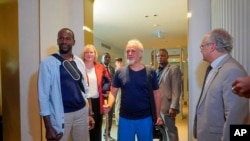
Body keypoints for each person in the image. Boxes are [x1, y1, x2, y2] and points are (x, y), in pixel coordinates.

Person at [38, 28, 94, 141]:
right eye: (61, 38)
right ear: (58, 41)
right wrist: (48, 127)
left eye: (68, 38)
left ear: (73, 42)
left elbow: (85, 90)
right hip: (61, 115)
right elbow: (43, 96)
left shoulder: (79, 62)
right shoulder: (47, 63)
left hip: (81, 113)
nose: (64, 41)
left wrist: (89, 113)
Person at [193, 28, 250, 141]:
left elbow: (236, 117)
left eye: (202, 46)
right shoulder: (214, 68)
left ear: (212, 46)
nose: (200, 50)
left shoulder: (232, 70)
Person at [103, 39, 163, 141]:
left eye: (133, 51)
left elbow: (156, 94)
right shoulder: (120, 72)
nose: (129, 53)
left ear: (140, 54)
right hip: (125, 119)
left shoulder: (150, 71)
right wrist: (109, 104)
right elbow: (113, 92)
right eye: (127, 51)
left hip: (145, 118)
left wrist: (158, 115)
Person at [80, 44, 111, 141]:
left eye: (91, 52)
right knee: (83, 130)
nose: (89, 54)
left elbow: (107, 81)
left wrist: (107, 91)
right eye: (86, 52)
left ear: (95, 54)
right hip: (83, 102)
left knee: (96, 130)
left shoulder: (100, 67)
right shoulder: (79, 66)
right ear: (83, 54)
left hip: (97, 102)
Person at [156, 49, 182, 141]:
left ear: (167, 57)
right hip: (159, 106)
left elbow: (176, 89)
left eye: (162, 55)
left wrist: (173, 106)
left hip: (168, 106)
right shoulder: (157, 71)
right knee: (162, 130)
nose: (160, 58)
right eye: (158, 56)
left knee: (171, 130)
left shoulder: (173, 69)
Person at [100, 53, 116, 141]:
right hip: (101, 96)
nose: (107, 58)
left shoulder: (112, 69)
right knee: (100, 116)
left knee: (109, 116)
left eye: (108, 57)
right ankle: (98, 135)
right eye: (105, 57)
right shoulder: (98, 67)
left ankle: (107, 133)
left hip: (110, 95)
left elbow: (114, 82)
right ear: (102, 58)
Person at [113, 57, 123, 125]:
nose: (119, 63)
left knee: (121, 105)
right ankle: (118, 121)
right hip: (118, 90)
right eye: (117, 62)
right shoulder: (115, 71)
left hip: (123, 90)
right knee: (118, 105)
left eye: (120, 62)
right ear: (115, 63)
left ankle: (121, 120)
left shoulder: (123, 70)